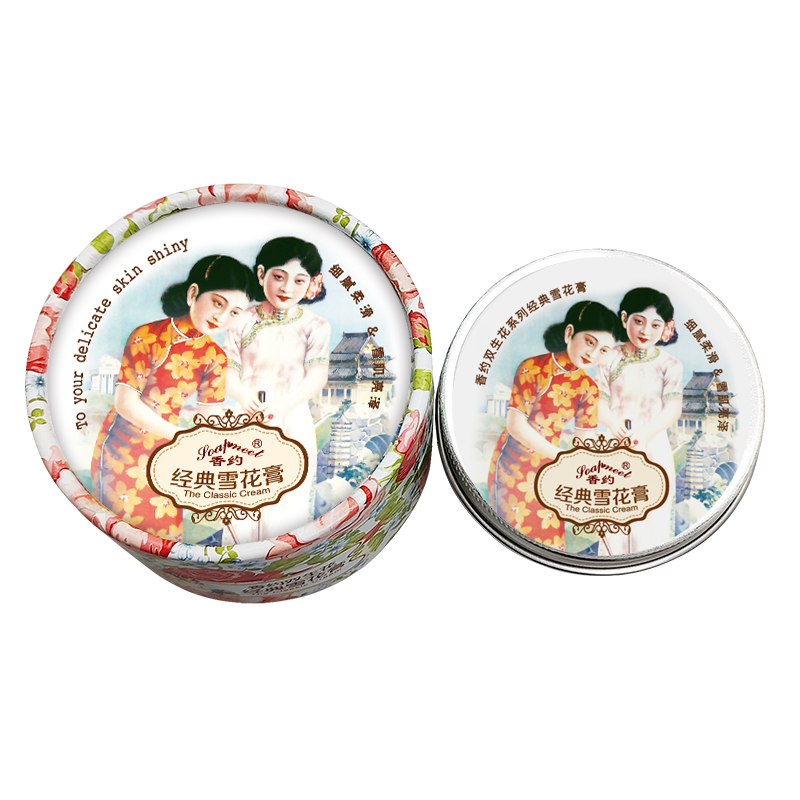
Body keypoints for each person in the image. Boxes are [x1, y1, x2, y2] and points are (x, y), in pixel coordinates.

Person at [92, 255, 257, 541]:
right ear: (193, 293)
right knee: (122, 532)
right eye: (218, 303)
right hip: (122, 447)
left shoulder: (215, 357)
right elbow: (126, 403)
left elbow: (208, 419)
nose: (221, 317)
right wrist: (182, 438)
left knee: (167, 534)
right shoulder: (147, 335)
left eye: (234, 312)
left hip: (168, 453)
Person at [223, 236, 331, 545]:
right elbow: (227, 370)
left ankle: (283, 559)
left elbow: (317, 376)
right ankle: (237, 560)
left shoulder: (315, 326)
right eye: (279, 277)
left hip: (292, 418)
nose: (287, 288)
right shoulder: (241, 320)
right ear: (261, 275)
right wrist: (243, 397)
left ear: (311, 283)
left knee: (288, 499)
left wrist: (282, 407)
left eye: (299, 280)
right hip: (244, 417)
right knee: (239, 495)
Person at [487, 300, 620, 550]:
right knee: (511, 539)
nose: (593, 354)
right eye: (589, 342)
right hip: (514, 464)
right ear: (569, 333)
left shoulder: (588, 388)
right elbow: (516, 425)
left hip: (553, 470)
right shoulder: (532, 368)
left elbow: (584, 441)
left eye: (603, 350)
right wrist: (563, 458)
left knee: (551, 540)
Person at [597, 287, 684, 554]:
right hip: (613, 445)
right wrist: (613, 425)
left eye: (655, 325)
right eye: (639, 321)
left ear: (666, 328)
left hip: (653, 446)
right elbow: (598, 400)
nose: (646, 331)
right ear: (625, 319)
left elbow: (673, 409)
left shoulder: (670, 364)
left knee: (651, 519)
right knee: (613, 516)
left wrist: (644, 435)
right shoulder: (609, 357)